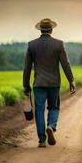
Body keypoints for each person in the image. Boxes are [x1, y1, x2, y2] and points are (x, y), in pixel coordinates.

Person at [23, 18, 76, 148]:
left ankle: (42, 140)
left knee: (39, 111)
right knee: (54, 107)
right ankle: (51, 126)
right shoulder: (59, 44)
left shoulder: (32, 45)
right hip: (53, 83)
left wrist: (26, 85)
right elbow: (65, 64)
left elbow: (27, 68)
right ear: (52, 30)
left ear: (40, 30)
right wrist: (71, 80)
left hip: (38, 83)